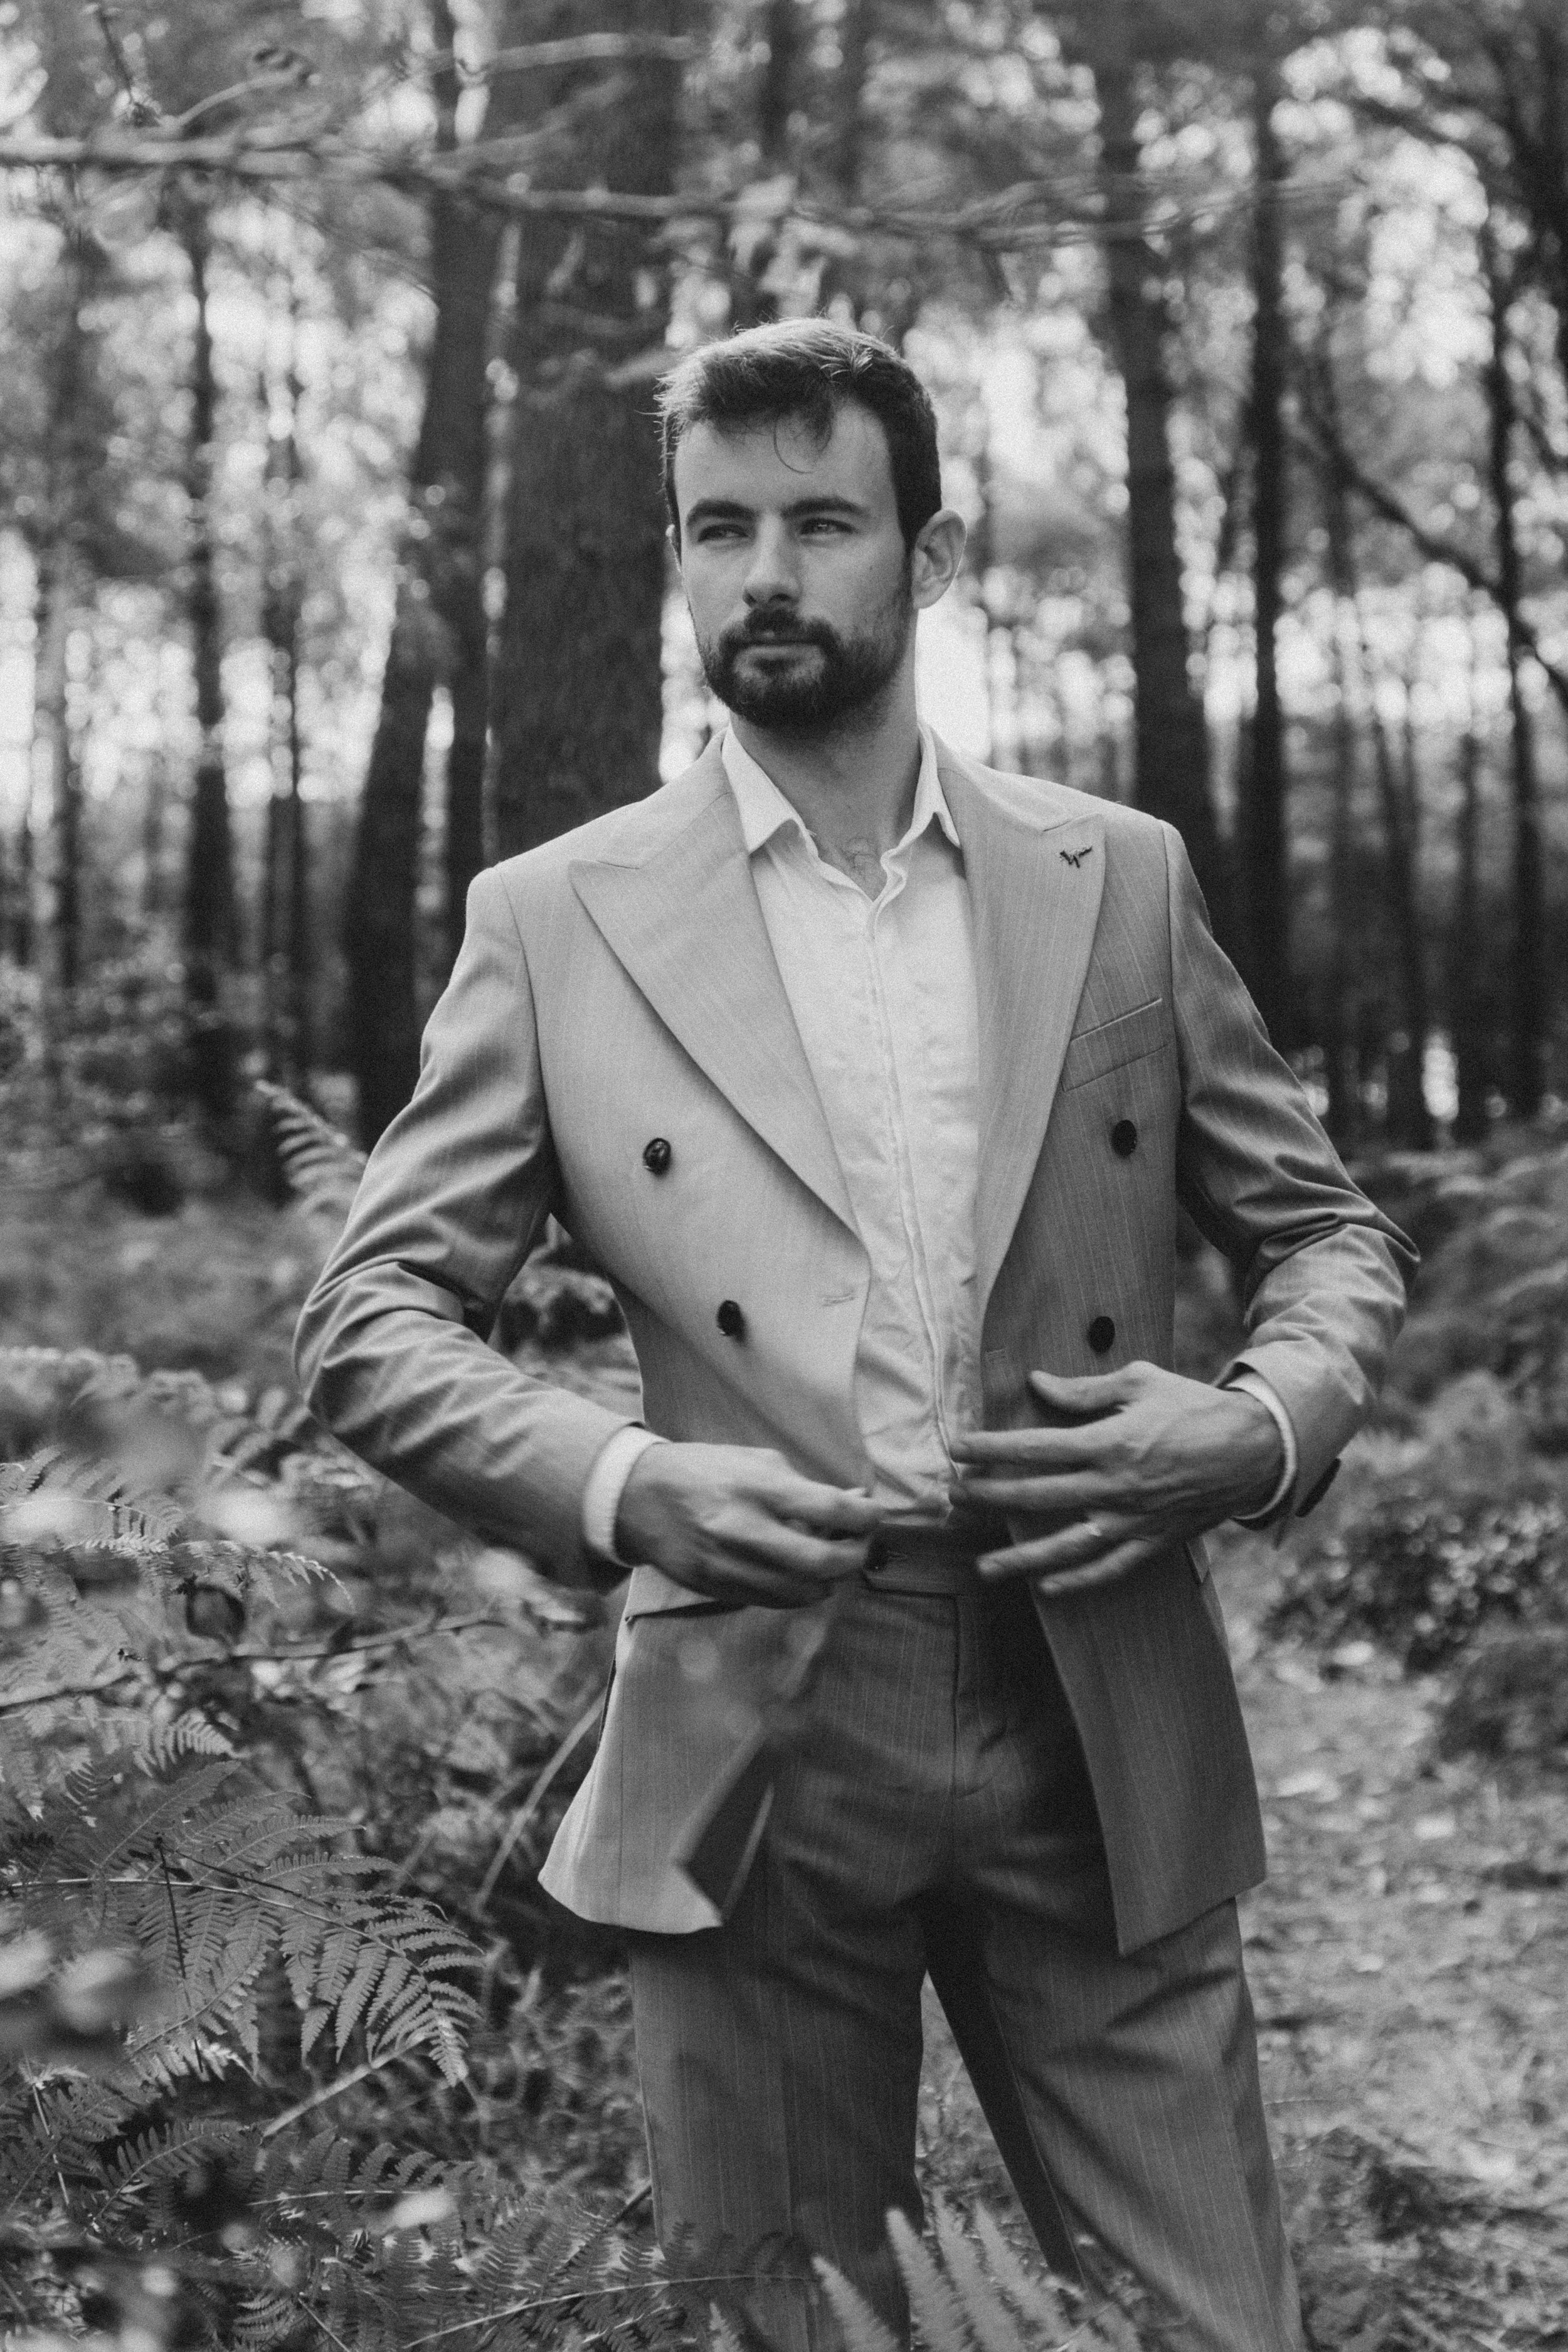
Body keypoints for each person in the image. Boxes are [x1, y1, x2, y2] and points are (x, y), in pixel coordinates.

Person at [295, 317, 1412, 2352]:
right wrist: (630, 1482)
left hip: (1091, 1669)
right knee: (792, 2329)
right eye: (716, 528)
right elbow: (371, 1317)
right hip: (764, 1708)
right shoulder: (558, 917)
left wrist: (1250, 1428)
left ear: (933, 550)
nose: (765, 575)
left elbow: (1326, 1231)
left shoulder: (1116, 876)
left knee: (1212, 2322)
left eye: (822, 520)